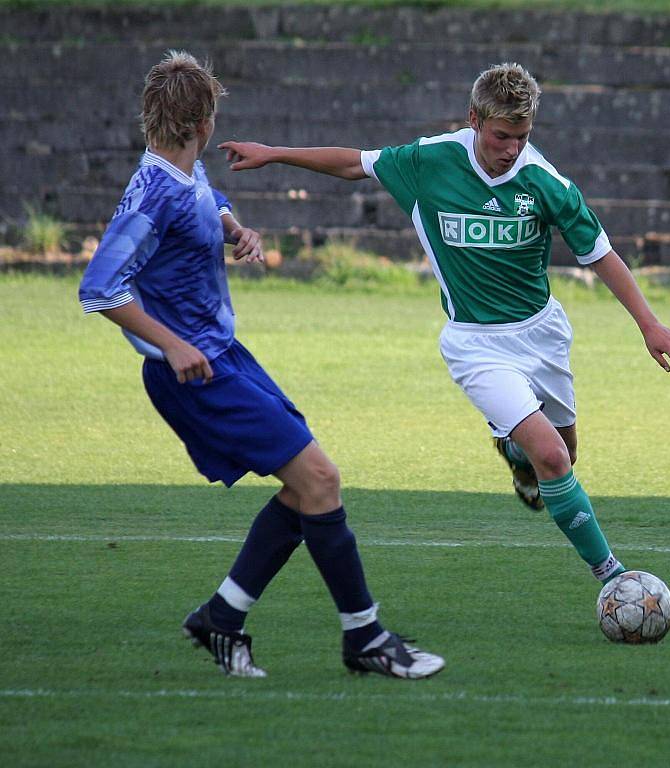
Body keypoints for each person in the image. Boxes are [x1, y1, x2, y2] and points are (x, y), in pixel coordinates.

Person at [219, 62, 670, 587]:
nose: (512, 148)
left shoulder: (546, 182)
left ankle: (516, 453)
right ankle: (614, 576)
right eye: (501, 136)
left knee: (563, 454)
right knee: (554, 458)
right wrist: (275, 154)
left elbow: (600, 254)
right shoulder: (430, 161)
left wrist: (649, 325)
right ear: (473, 120)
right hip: (475, 344)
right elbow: (356, 164)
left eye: (522, 137)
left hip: (541, 335)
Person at [78, 51, 444, 680]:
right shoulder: (158, 191)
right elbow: (100, 285)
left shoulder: (178, 173)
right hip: (195, 372)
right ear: (206, 124)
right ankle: (366, 638)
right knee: (320, 480)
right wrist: (171, 343)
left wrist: (231, 224)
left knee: (308, 489)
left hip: (225, 356)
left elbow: (203, 195)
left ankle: (221, 618)